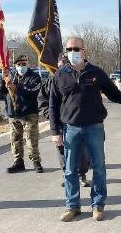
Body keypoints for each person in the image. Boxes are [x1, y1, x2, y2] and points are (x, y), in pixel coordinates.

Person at [49, 37, 121, 222]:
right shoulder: (60, 75)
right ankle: (72, 206)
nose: (72, 52)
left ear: (84, 50)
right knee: (70, 170)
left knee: (99, 167)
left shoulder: (95, 72)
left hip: (94, 127)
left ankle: (98, 205)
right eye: (69, 49)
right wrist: (54, 131)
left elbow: (114, 94)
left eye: (76, 48)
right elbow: (53, 106)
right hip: (71, 129)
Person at [37, 53, 90, 187]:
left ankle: (81, 174)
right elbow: (43, 100)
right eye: (60, 65)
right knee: (61, 151)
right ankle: (67, 175)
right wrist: (49, 114)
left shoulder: (77, 78)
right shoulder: (51, 81)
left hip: (76, 121)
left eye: (66, 64)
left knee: (81, 150)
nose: (62, 67)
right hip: (59, 122)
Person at [2, 55, 43, 173]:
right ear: (15, 66)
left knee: (31, 138)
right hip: (14, 114)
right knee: (15, 139)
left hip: (29, 113)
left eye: (23, 64)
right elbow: (2, 91)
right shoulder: (11, 76)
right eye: (18, 65)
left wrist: (17, 88)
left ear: (28, 64)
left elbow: (33, 92)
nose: (21, 66)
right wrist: (3, 80)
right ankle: (18, 162)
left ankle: (36, 161)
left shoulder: (34, 77)